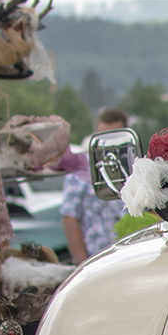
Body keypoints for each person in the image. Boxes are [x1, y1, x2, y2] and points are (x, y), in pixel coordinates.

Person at [59, 106, 131, 262]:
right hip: (95, 260)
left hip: (131, 259)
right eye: (103, 136)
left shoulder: (137, 167)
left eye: (114, 136)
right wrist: (82, 263)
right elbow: (69, 217)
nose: (108, 143)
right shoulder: (81, 170)